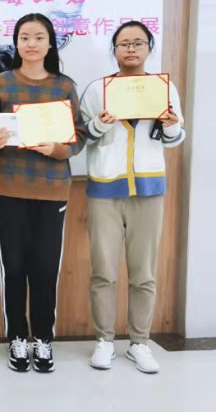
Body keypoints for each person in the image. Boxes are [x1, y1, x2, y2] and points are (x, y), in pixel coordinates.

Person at [0, 13, 86, 373]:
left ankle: (43, 338)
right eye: (24, 37)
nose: (31, 43)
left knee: (45, 268)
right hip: (9, 187)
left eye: (39, 37)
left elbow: (79, 135)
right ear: (16, 43)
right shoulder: (1, 82)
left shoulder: (64, 86)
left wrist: (57, 148)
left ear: (50, 43)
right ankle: (17, 339)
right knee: (14, 267)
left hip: (52, 190)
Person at [81, 21, 184, 374]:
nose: (130, 48)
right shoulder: (97, 90)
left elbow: (175, 138)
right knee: (104, 271)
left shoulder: (164, 88)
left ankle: (139, 342)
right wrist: (101, 123)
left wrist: (170, 124)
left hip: (149, 188)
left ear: (149, 48)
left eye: (138, 42)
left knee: (144, 273)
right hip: (104, 189)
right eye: (123, 43)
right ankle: (104, 340)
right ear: (113, 49)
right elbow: (82, 136)